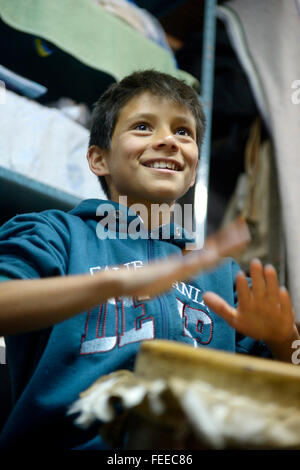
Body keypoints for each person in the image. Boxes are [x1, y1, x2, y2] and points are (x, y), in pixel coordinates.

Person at [0, 70, 298, 450]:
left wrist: (283, 339)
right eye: (143, 126)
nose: (168, 142)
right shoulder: (54, 234)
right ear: (98, 158)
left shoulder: (222, 273)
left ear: (192, 173)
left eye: (183, 132)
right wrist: (115, 283)